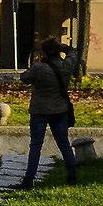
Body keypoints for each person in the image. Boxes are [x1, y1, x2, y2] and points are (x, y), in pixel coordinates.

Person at [20, 39, 81, 187]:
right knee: (64, 144)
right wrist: (63, 47)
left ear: (44, 52)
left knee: (36, 146)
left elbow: (24, 78)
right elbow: (73, 52)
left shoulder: (38, 68)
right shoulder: (66, 65)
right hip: (60, 110)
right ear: (58, 50)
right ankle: (72, 176)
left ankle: (28, 180)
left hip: (39, 111)